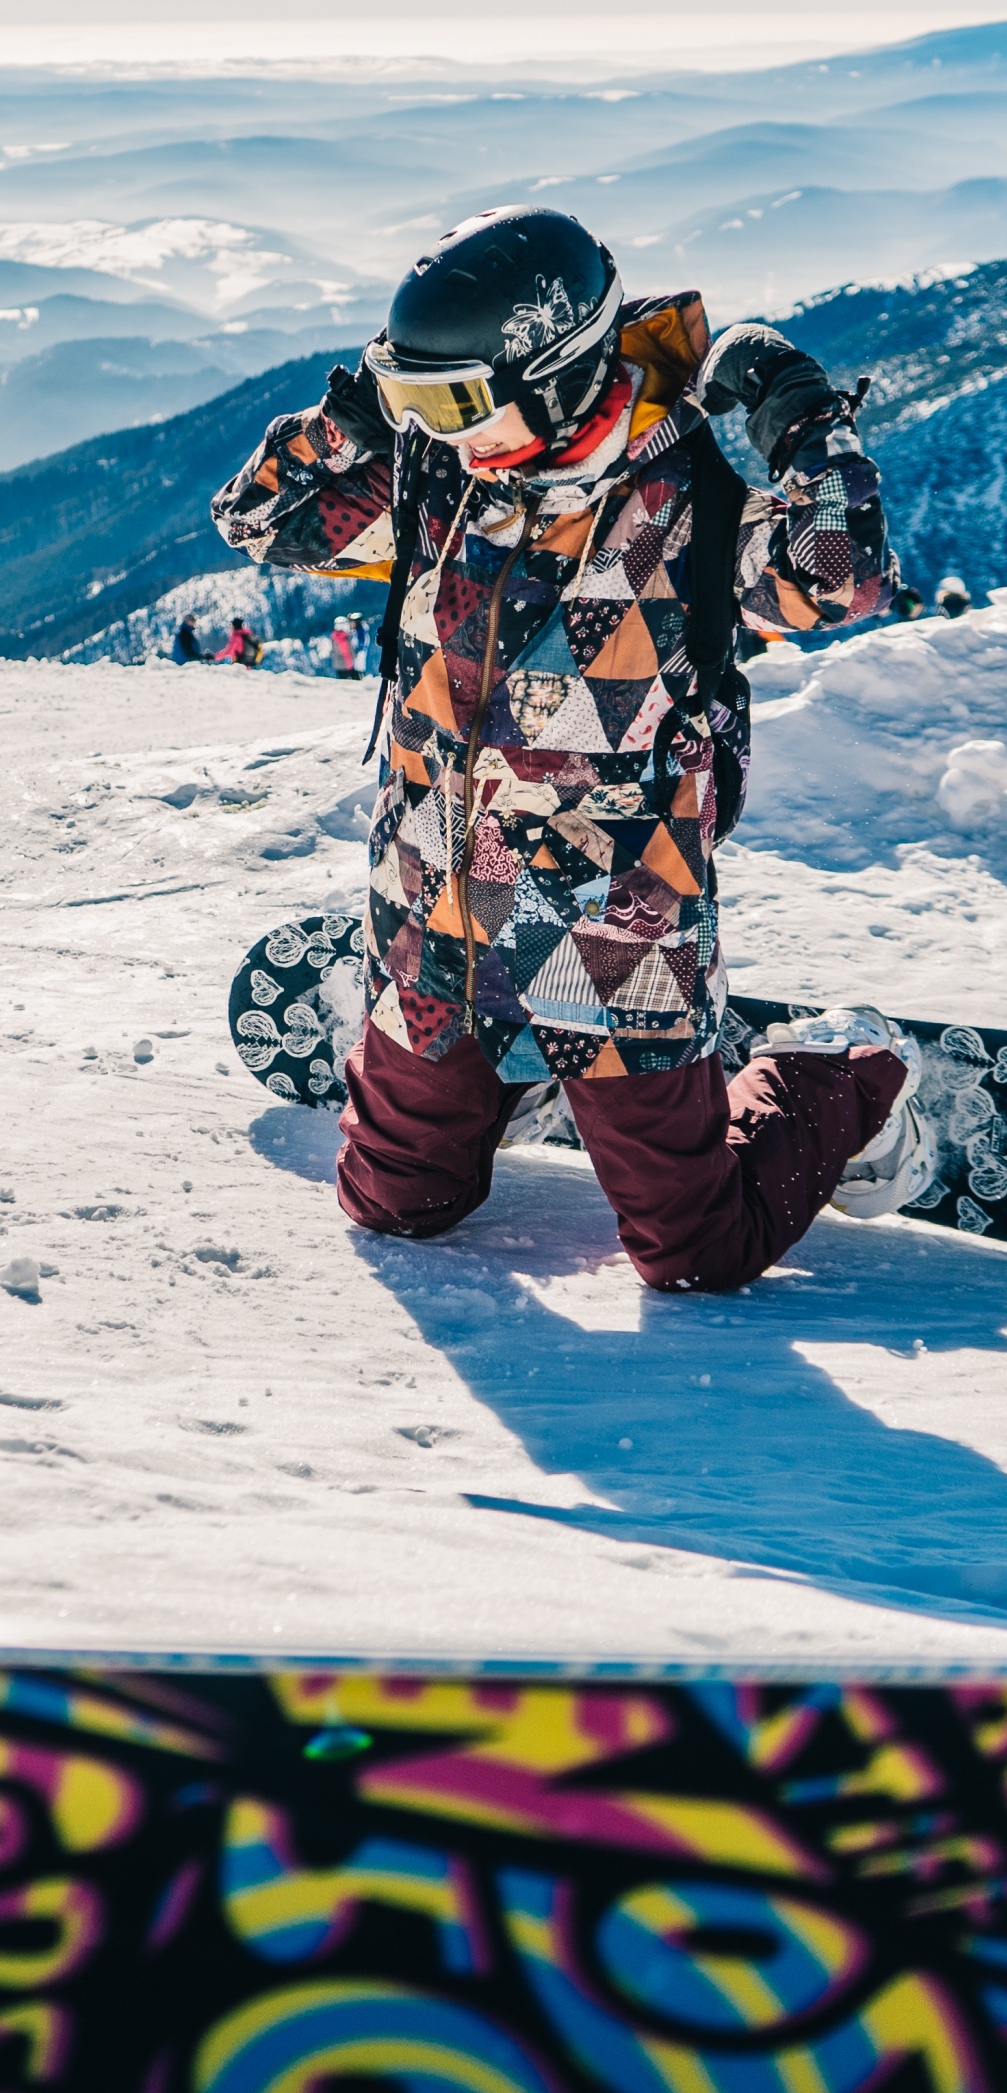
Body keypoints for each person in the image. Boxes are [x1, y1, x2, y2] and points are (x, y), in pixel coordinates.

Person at [212, 206, 920, 1293]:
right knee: (398, 1208)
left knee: (697, 1254)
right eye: (414, 399)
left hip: (608, 922)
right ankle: (526, 1076)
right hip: (434, 899)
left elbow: (837, 577)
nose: (435, 429)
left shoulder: (684, 496)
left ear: (552, 374)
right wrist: (357, 415)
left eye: (452, 402)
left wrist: (803, 418)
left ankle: (846, 1068)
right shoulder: (439, 478)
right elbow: (257, 520)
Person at [330, 612, 359, 678]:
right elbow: (346, 652)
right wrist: (354, 657)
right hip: (345, 666)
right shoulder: (342, 637)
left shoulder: (335, 636)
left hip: (338, 665)